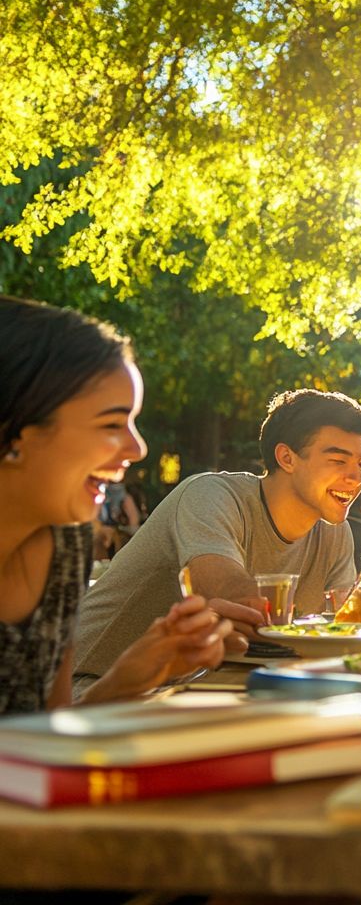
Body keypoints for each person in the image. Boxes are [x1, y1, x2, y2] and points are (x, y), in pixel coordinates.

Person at [0, 297, 231, 714]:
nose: (137, 447)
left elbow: (48, 733)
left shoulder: (64, 542)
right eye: (111, 424)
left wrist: (130, 679)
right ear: (14, 431)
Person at [73, 388, 361, 697]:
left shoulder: (335, 533)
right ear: (286, 458)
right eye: (338, 460)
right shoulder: (211, 495)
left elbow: (344, 626)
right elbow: (229, 594)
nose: (356, 478)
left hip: (196, 689)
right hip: (87, 687)